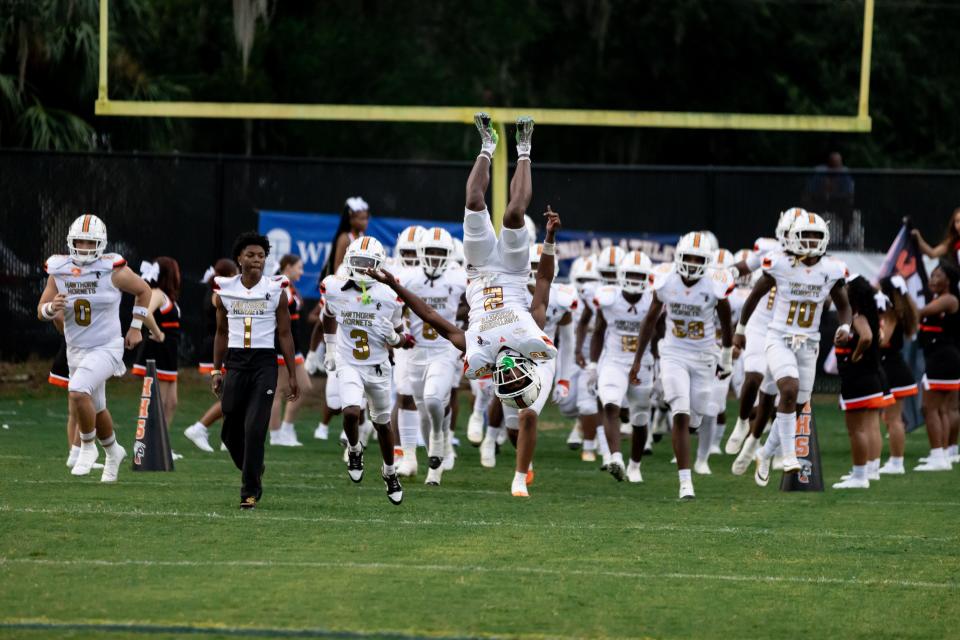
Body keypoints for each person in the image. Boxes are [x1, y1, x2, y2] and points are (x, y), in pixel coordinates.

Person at [366, 207, 562, 497]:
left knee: (528, 414)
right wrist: (550, 239)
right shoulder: (511, 336)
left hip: (532, 352)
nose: (508, 372)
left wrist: (549, 241)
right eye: (513, 376)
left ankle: (520, 477)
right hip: (513, 334)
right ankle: (505, 447)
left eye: (506, 374)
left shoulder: (517, 334)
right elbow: (431, 315)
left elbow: (544, 281)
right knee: (513, 425)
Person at [37, 213, 157, 482]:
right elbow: (40, 311)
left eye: (91, 243)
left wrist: (136, 326)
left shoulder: (112, 268)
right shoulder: (59, 269)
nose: (85, 248)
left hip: (107, 346)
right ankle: (114, 452)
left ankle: (87, 447)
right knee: (97, 406)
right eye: (80, 241)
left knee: (78, 391)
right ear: (71, 241)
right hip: (75, 347)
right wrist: (50, 308)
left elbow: (144, 290)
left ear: (101, 244)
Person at [736, 213, 851, 487]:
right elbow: (754, 296)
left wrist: (846, 327)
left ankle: (765, 453)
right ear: (794, 238)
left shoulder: (832, 269)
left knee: (798, 406)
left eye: (816, 236)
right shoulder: (780, 264)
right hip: (779, 337)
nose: (811, 241)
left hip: (809, 342)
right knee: (787, 389)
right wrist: (741, 329)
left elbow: (844, 306)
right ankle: (789, 455)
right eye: (805, 236)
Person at [630, 232, 734, 498]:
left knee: (696, 415)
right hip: (674, 353)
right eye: (687, 257)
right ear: (678, 256)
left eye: (697, 258)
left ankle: (688, 450)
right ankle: (685, 482)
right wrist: (638, 358)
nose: (691, 262)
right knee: (680, 410)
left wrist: (726, 353)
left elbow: (725, 320)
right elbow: (650, 321)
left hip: (704, 357)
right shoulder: (666, 280)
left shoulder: (714, 284)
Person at [320, 236, 412, 505]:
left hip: (378, 366)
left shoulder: (389, 294)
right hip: (349, 362)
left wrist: (395, 339)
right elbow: (327, 315)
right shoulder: (335, 287)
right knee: (350, 411)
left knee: (382, 425)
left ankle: (389, 472)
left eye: (367, 264)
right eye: (357, 263)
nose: (361, 269)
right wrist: (329, 348)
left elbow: (403, 336)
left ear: (379, 265)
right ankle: (354, 448)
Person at [212, 231, 300, 509]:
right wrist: (216, 370)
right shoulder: (224, 289)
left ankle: (249, 491)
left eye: (261, 256)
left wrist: (292, 373)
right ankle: (254, 468)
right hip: (236, 363)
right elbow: (221, 331)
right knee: (229, 432)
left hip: (264, 363)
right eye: (250, 255)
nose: (256, 260)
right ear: (239, 258)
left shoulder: (276, 290)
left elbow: (285, 334)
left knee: (254, 429)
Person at [725, 208, 805, 462]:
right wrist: (726, 274)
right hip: (761, 324)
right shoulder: (770, 252)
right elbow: (744, 267)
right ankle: (741, 422)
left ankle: (759, 440)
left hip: (789, 328)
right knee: (753, 377)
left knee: (777, 391)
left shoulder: (815, 261)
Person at [397, 227, 467, 484]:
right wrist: (399, 332)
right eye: (430, 252)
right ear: (421, 252)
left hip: (443, 349)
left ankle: (440, 436)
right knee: (422, 409)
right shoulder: (408, 276)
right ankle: (433, 470)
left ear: (449, 255)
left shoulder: (458, 277)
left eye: (440, 253)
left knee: (433, 399)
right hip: (416, 350)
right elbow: (396, 307)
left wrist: (463, 332)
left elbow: (472, 305)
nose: (435, 257)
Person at [589, 250, 654, 483]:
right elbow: (598, 330)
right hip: (614, 360)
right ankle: (615, 457)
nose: (635, 281)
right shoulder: (608, 297)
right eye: (631, 275)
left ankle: (635, 465)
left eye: (640, 276)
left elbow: (659, 335)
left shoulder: (653, 299)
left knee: (639, 417)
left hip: (643, 362)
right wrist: (593, 364)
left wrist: (662, 365)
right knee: (610, 405)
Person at [832, 274, 888, 489]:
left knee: (856, 430)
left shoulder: (857, 316)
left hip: (858, 378)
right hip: (869, 377)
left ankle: (859, 476)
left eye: (846, 287)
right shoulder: (869, 314)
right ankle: (867, 471)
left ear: (853, 293)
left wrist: (855, 355)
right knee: (867, 427)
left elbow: (866, 337)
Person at [184, 258, 238, 453]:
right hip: (217, 350)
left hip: (218, 347)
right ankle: (199, 428)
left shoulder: (216, 291)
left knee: (231, 396)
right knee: (229, 398)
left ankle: (227, 438)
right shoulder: (217, 294)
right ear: (229, 275)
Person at [914, 262, 960, 471]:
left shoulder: (948, 299)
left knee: (929, 408)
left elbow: (922, 312)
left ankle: (939, 456)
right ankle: (943, 454)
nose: (932, 280)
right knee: (940, 409)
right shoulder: (941, 298)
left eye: (937, 276)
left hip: (943, 359)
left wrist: (903, 295)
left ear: (948, 280)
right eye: (931, 276)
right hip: (941, 358)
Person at [132, 258, 180, 445]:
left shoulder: (167, 297)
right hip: (159, 350)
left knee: (171, 402)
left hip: (170, 352)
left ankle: (161, 445)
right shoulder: (158, 293)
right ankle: (148, 444)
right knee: (156, 402)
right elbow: (144, 311)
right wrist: (158, 333)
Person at [267, 254, 313, 447]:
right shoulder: (279, 286)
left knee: (304, 387)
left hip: (295, 346)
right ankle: (276, 435)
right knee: (278, 391)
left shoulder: (290, 287)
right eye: (299, 267)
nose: (301, 272)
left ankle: (286, 428)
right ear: (287, 266)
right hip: (281, 346)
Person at [877, 275, 919, 474]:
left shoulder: (891, 312)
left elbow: (883, 341)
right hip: (894, 368)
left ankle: (896, 462)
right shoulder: (899, 310)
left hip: (891, 370)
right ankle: (894, 461)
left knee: (893, 419)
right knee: (891, 418)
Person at [323, 196, 370, 279]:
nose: (365, 222)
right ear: (351, 220)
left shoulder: (362, 236)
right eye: (362, 219)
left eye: (366, 218)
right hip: (345, 282)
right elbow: (337, 267)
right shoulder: (345, 238)